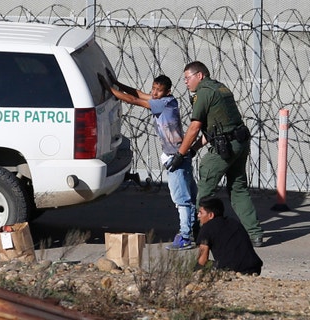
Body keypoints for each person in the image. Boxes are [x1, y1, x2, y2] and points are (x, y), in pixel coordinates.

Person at [167, 61, 265, 247]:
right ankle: (255, 234)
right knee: (238, 188)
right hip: (239, 142)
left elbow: (195, 127)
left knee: (204, 190)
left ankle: (198, 234)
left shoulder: (204, 92)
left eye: (187, 78)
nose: (186, 83)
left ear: (199, 76)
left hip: (226, 146)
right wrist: (194, 149)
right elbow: (214, 129)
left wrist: (181, 154)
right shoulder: (221, 88)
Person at [101, 72, 198, 250]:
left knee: (181, 199)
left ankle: (185, 236)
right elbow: (138, 93)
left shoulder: (163, 104)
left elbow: (133, 100)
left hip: (175, 156)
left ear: (167, 92)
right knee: (189, 196)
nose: (154, 93)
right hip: (180, 154)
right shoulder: (166, 100)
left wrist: (109, 89)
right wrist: (117, 83)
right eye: (153, 89)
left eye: (158, 91)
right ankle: (192, 230)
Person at [195, 196, 262, 275]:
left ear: (210, 215)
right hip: (254, 266)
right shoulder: (234, 222)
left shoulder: (206, 228)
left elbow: (203, 259)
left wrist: (194, 272)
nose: (198, 216)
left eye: (201, 213)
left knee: (204, 265)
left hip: (232, 269)